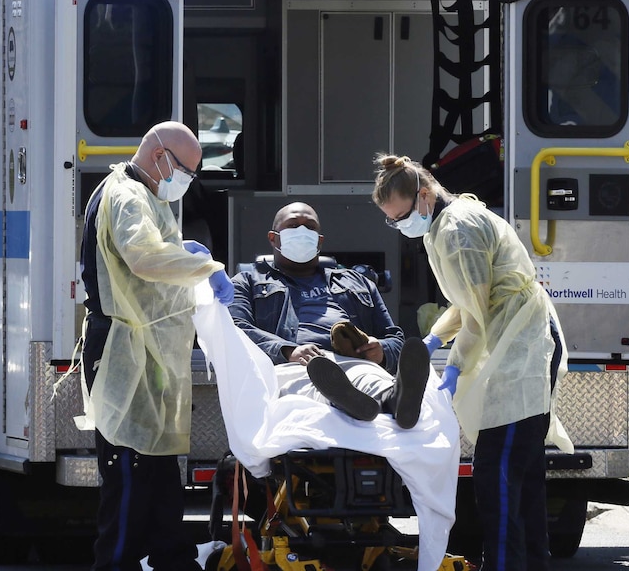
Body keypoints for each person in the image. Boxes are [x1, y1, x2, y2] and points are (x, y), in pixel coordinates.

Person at [371, 154, 573, 571]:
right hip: (520, 341)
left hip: (522, 347)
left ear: (423, 195)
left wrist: (454, 364)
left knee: (497, 474)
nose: (399, 226)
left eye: (401, 216)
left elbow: (477, 312)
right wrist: (434, 338)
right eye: (391, 221)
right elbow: (468, 300)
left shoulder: (456, 230)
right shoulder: (446, 223)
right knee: (524, 473)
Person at [80, 121, 236, 571]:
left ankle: (173, 559)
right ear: (159, 157)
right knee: (128, 473)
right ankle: (116, 564)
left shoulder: (142, 194)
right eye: (185, 170)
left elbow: (154, 249)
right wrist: (204, 268)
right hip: (122, 347)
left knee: (160, 467)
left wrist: (182, 250)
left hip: (145, 347)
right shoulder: (128, 197)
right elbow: (145, 258)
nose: (185, 181)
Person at [229, 201, 428, 429]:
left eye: (310, 227)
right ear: (273, 238)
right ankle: (342, 401)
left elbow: (394, 337)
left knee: (370, 378)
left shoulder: (357, 282)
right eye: (293, 226)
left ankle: (394, 401)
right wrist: (287, 350)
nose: (302, 231)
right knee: (307, 385)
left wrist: (381, 351)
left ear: (319, 241)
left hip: (353, 360)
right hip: (296, 365)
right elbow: (236, 328)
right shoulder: (248, 282)